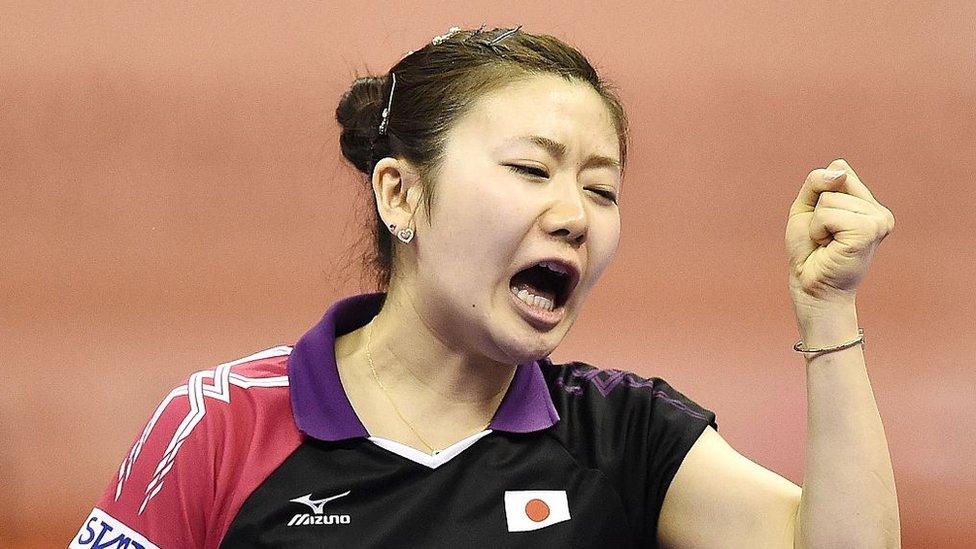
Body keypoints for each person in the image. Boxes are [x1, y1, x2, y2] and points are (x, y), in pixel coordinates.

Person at [71, 25, 900, 548]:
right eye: (530, 169)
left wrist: (828, 315)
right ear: (401, 193)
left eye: (602, 188)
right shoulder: (221, 425)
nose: (574, 214)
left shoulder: (620, 437)